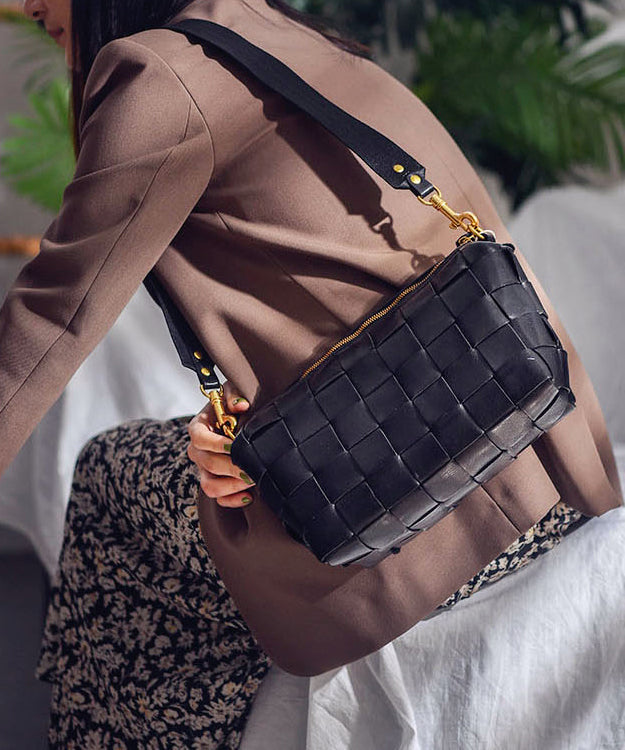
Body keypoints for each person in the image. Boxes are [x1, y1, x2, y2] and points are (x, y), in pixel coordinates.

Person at [3, 0, 622, 745]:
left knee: (110, 469)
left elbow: (51, 318)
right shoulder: (275, 31)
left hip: (416, 520)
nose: (29, 4)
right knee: (190, 474)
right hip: (549, 461)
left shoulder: (157, 76)